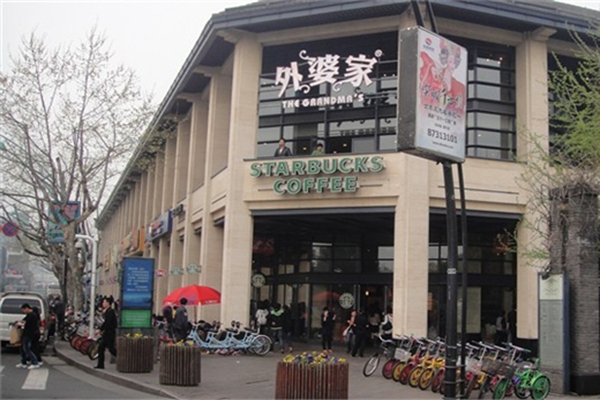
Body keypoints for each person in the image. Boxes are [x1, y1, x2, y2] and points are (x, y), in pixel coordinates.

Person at [16, 303, 40, 369]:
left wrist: (21, 324)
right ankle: (24, 362)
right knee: (23, 348)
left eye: (23, 310)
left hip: (29, 334)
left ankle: (35, 362)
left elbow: (25, 323)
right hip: (26, 333)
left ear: (26, 308)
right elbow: (23, 320)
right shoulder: (29, 315)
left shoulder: (32, 315)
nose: (23, 311)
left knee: (26, 348)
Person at [95, 296, 117, 369]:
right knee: (102, 348)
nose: (103, 303)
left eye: (104, 302)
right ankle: (100, 365)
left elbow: (107, 323)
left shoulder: (111, 312)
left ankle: (122, 358)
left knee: (111, 349)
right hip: (107, 333)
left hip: (109, 333)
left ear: (108, 303)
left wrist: (101, 330)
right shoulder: (107, 311)